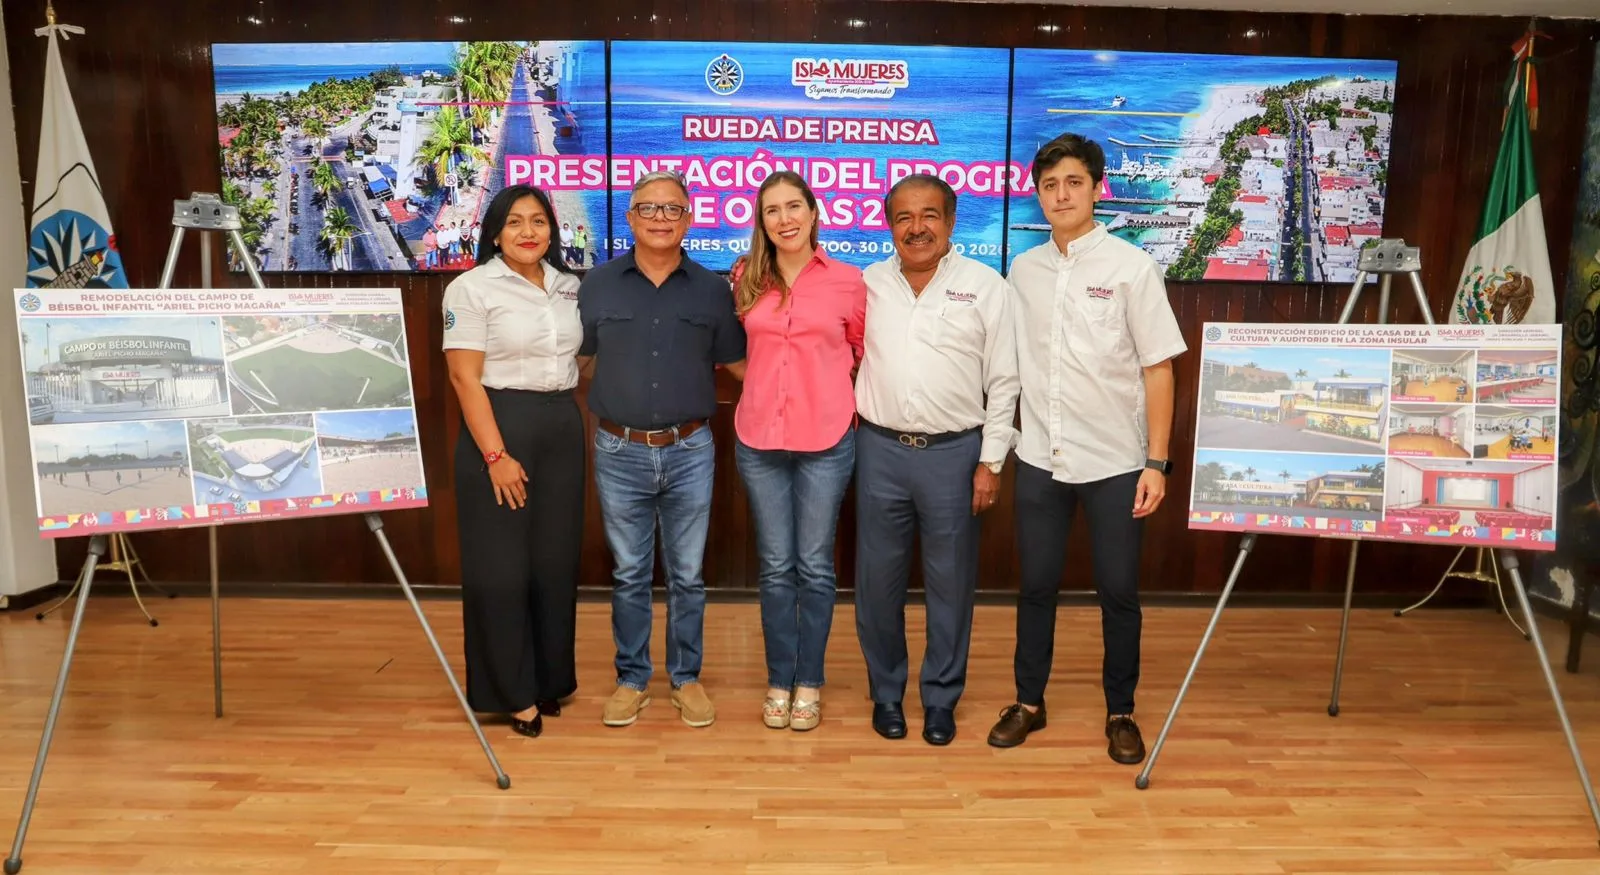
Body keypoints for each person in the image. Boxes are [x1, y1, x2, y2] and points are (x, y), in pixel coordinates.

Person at [986, 133, 1186, 764]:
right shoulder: (1024, 270)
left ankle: (1120, 711)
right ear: (1037, 194)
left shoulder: (1132, 268)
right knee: (1036, 585)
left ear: (1098, 189)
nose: (1061, 195)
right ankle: (1028, 703)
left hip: (1116, 464)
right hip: (1043, 458)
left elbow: (1159, 368)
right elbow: (1009, 364)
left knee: (1119, 591)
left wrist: (1156, 462)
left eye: (1073, 183)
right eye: (1049, 185)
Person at [854, 173, 1019, 746]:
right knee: (878, 584)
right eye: (903, 217)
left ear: (950, 223)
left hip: (955, 455)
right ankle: (885, 694)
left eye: (929, 216)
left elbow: (1004, 380)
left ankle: (941, 699)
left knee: (951, 584)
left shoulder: (985, 285)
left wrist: (990, 461)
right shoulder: (868, 284)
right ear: (888, 224)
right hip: (877, 450)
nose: (916, 227)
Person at [579, 170, 747, 729]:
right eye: (647, 208)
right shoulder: (597, 284)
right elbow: (576, 360)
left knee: (687, 573)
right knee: (629, 573)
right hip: (618, 448)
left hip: (690, 448)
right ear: (629, 219)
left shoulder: (711, 289)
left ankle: (686, 677)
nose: (659, 218)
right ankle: (631, 679)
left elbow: (739, 364)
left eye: (672, 209)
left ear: (689, 219)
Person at [441, 183, 585, 740]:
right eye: (515, 222)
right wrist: (496, 455)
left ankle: (549, 679)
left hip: (560, 428)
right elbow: (462, 376)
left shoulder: (568, 286)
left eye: (539, 221)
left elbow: (579, 356)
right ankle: (510, 691)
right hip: (498, 427)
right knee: (500, 569)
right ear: (495, 231)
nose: (529, 232)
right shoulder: (471, 288)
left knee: (553, 562)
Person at [729, 171, 865, 732]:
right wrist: (765, 384)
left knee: (813, 566)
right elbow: (735, 351)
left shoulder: (849, 282)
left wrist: (823, 389)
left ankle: (809, 679)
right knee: (775, 567)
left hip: (827, 439)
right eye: (771, 211)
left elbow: (860, 351)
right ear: (760, 222)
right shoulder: (744, 278)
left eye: (793, 207)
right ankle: (778, 679)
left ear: (813, 212)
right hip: (759, 439)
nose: (784, 219)